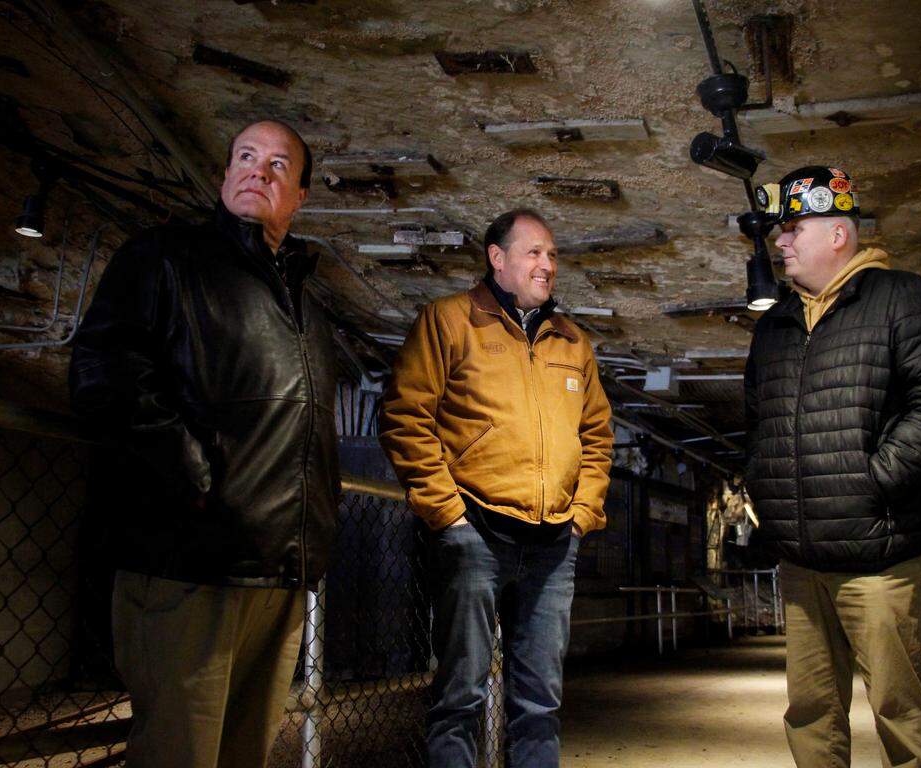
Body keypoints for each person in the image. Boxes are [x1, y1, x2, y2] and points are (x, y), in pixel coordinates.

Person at [69, 120, 339, 768]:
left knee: (244, 755)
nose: (259, 171)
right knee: (178, 756)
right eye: (246, 157)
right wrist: (191, 476)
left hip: (276, 572)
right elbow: (102, 370)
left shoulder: (308, 306)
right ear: (223, 177)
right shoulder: (164, 259)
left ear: (299, 195)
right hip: (188, 566)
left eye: (278, 165)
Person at [744, 166, 921, 768]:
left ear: (838, 234)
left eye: (794, 229)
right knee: (810, 713)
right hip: (801, 558)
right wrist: (765, 495)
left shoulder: (899, 295)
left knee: (900, 711)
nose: (782, 241)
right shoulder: (774, 323)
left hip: (880, 553)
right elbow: (758, 424)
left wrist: (873, 479)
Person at [379, 208, 613, 767]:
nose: (547, 265)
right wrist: (447, 516)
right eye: (533, 252)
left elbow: (598, 435)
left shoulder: (572, 342)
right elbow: (406, 415)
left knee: (539, 704)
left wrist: (582, 513)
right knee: (460, 696)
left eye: (552, 255)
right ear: (497, 258)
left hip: (554, 543)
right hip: (477, 535)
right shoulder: (448, 322)